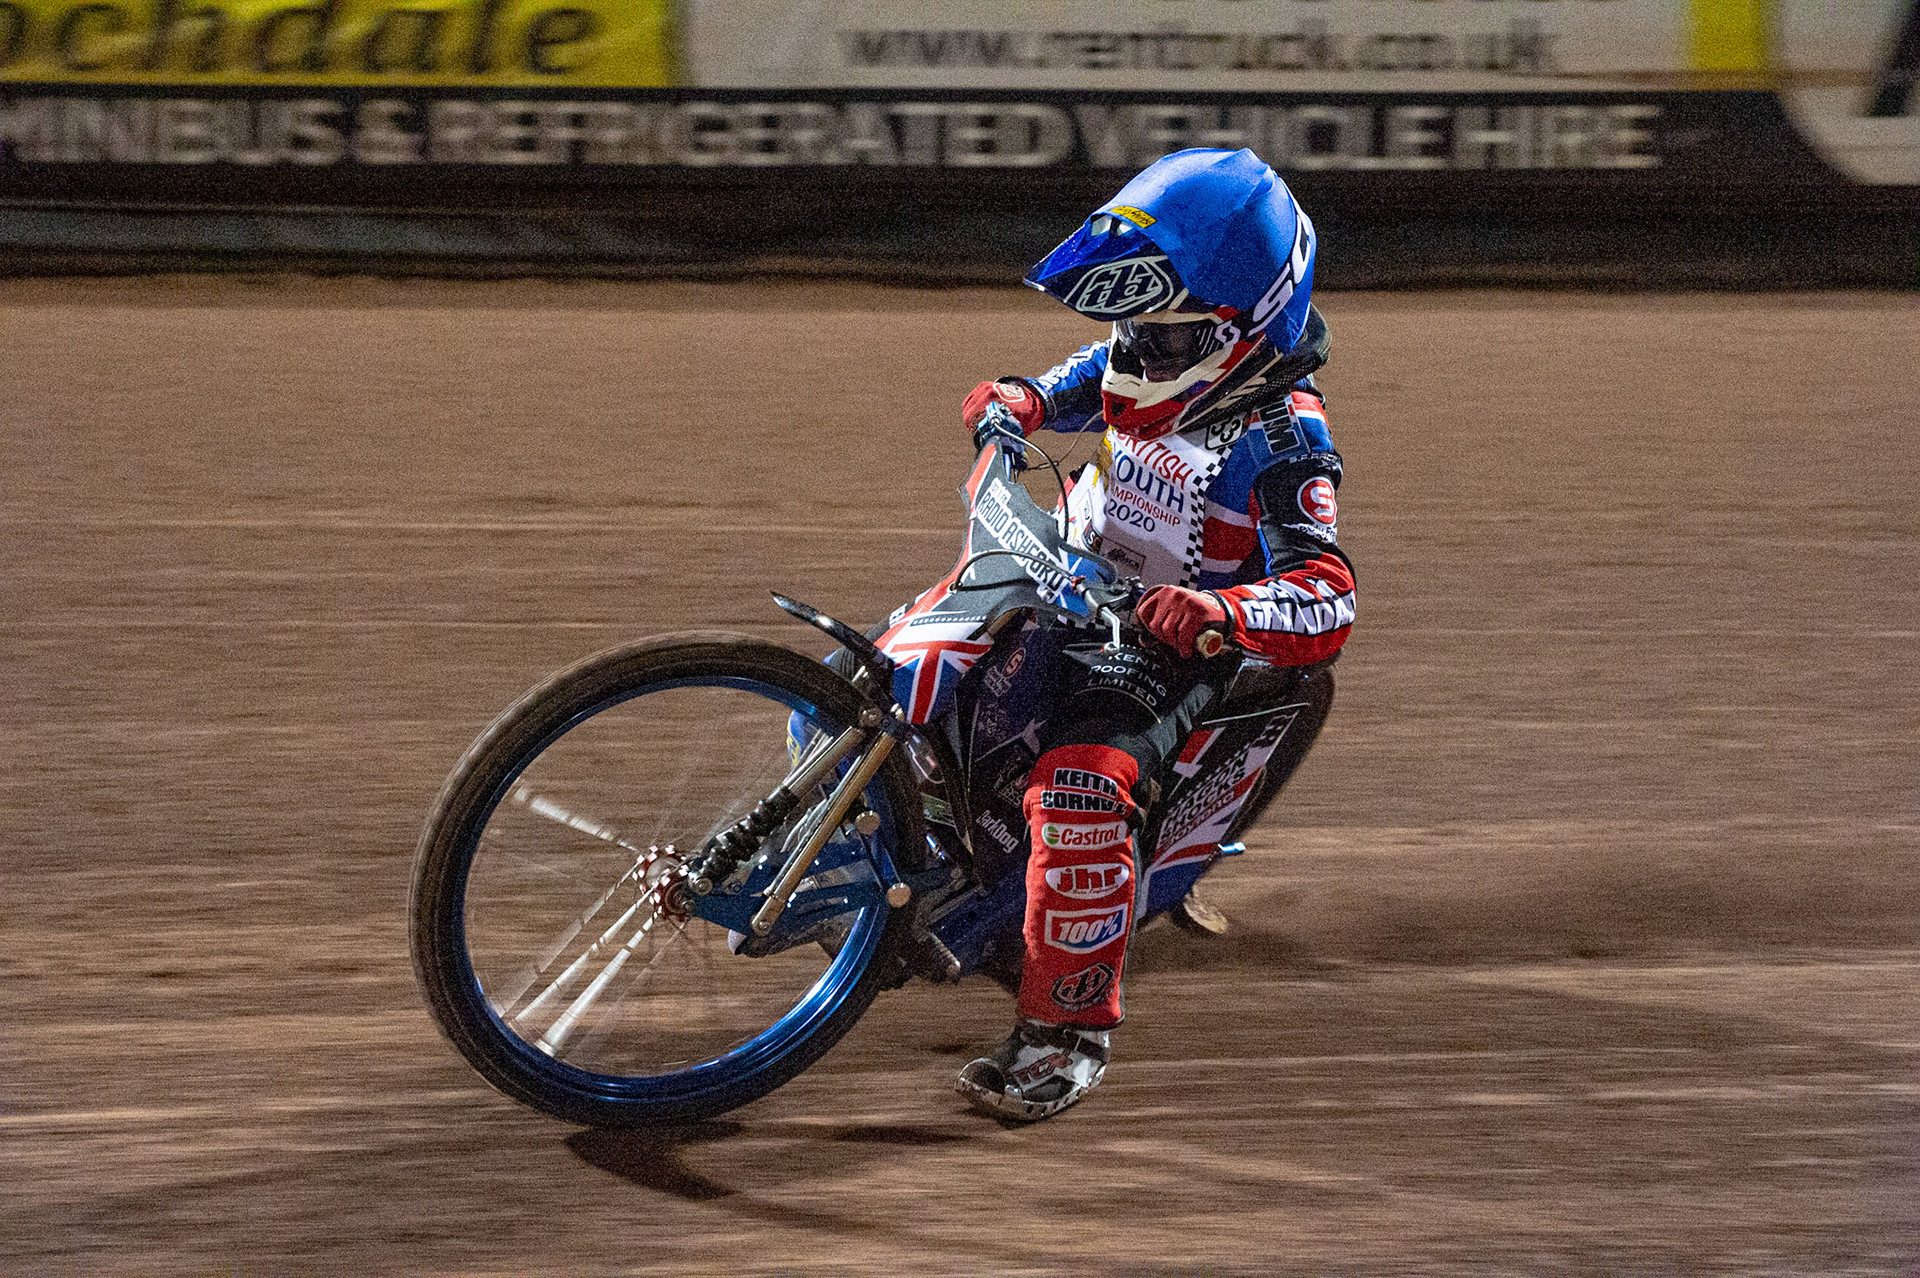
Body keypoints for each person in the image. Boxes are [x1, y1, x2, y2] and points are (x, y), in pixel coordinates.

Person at [941, 147, 1358, 1121]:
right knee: (923, 667)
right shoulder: (1155, 349)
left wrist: (1221, 612)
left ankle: (1064, 1035)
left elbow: (1328, 593)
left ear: (1237, 330)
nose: (1141, 350)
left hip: (1167, 650)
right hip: (1063, 572)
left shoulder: (1285, 440)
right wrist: (1030, 399)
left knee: (1080, 785)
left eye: (1164, 335)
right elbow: (1102, 370)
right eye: (1137, 326)